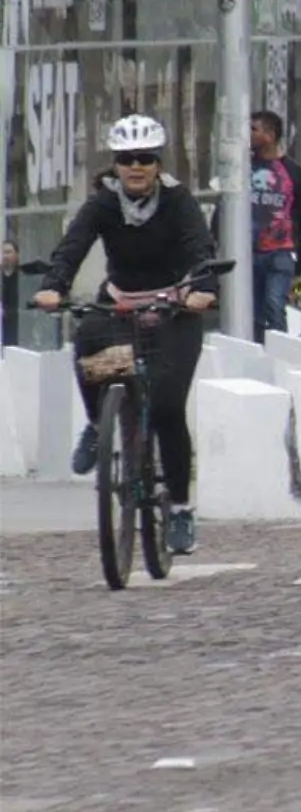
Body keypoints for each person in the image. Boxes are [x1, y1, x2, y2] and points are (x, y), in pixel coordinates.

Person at [33, 115, 219, 556]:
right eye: (126, 160)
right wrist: (54, 285)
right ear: (115, 165)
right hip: (120, 302)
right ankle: (99, 423)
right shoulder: (103, 203)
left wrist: (205, 289)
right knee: (86, 339)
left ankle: (179, 508)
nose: (135, 167)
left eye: (144, 159)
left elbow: (200, 248)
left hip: (174, 309)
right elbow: (73, 245)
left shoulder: (178, 201)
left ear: (157, 162)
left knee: (169, 407)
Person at [247, 111, 301, 342]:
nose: (248, 135)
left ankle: (280, 355)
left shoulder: (294, 173)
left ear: (270, 134)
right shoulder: (242, 169)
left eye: (253, 129)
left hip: (281, 250)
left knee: (274, 304)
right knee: (252, 312)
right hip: (248, 252)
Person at [2, 239, 19, 347]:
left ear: (17, 254)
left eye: (9, 252)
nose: (5, 256)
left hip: (17, 329)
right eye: (3, 252)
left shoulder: (22, 278)